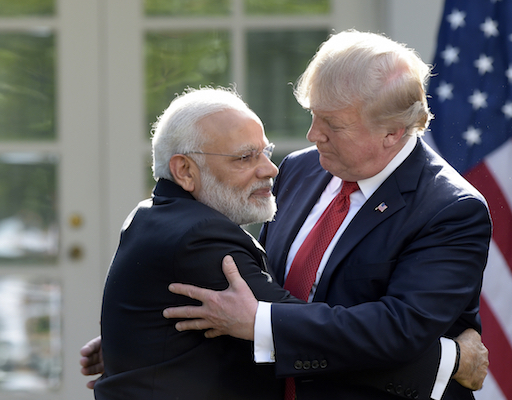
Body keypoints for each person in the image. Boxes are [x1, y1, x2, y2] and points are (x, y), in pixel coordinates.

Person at [87, 86, 487, 399]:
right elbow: (281, 328)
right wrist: (447, 361)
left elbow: (271, 325)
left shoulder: (152, 213)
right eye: (244, 158)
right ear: (185, 171)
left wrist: (142, 337)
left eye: (265, 152)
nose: (271, 169)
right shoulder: (201, 239)